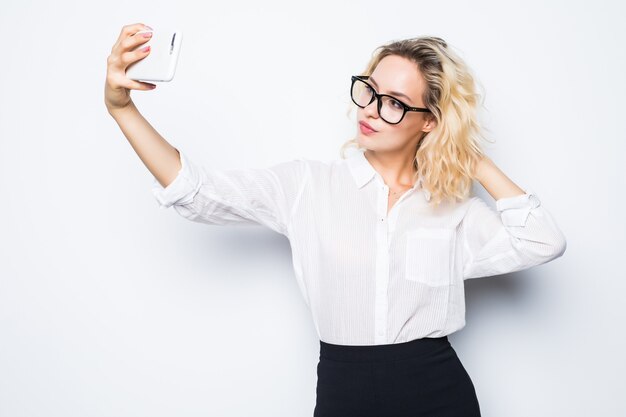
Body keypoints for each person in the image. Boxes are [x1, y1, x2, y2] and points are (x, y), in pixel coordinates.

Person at [105, 23, 567, 417]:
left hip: (438, 392)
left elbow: (543, 242)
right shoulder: (308, 185)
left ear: (430, 121)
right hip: (345, 390)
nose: (369, 109)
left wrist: (475, 161)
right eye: (369, 90)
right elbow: (197, 192)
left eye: (394, 102)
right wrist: (123, 109)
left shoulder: (453, 209)